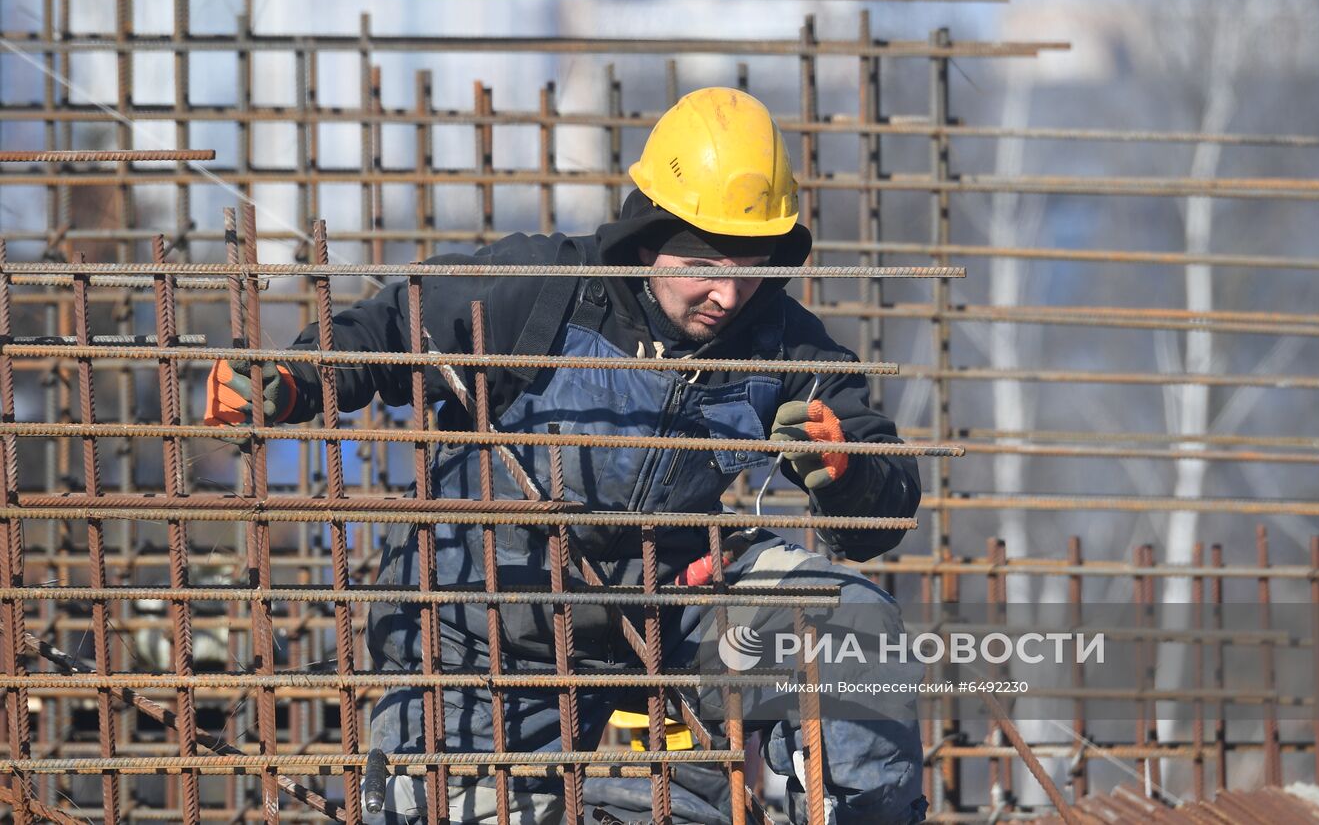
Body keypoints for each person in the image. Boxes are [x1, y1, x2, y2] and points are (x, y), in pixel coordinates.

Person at [205, 87, 929, 824]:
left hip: (666, 609)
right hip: (481, 627)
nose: (729, 293)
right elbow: (389, 328)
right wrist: (293, 379)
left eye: (751, 266)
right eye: (706, 264)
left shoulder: (783, 341)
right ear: (647, 238)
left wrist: (850, 472)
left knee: (848, 620)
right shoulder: (542, 289)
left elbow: (887, 498)